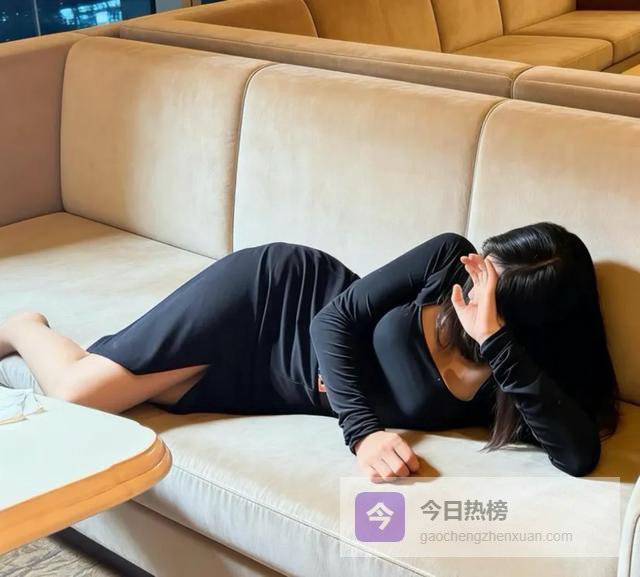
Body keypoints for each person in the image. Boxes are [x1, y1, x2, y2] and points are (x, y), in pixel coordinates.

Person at [0, 222, 619, 480]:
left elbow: (578, 456)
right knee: (78, 396)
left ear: (528, 326)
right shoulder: (447, 258)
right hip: (272, 299)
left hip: (277, 383)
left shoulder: (513, 378)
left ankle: (55, 342)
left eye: (489, 282)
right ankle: (25, 327)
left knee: (132, 397)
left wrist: (496, 344)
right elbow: (333, 320)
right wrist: (363, 433)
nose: (472, 275)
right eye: (485, 261)